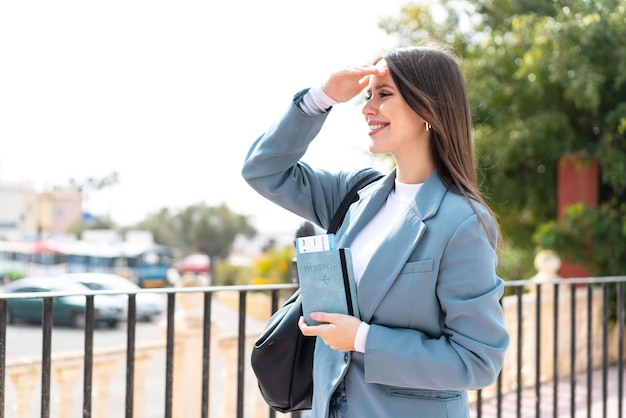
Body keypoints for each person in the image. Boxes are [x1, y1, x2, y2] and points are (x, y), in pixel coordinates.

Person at [242, 42, 510, 418]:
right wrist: (321, 98)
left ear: (426, 109)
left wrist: (362, 338)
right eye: (368, 95)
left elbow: (477, 360)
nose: (367, 108)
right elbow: (263, 170)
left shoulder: (461, 221)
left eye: (384, 95)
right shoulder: (355, 196)